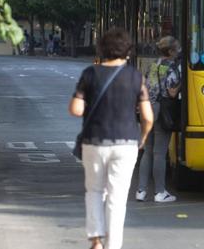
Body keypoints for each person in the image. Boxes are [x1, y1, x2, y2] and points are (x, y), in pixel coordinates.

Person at [68, 28, 153, 249]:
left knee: (95, 191)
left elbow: (76, 109)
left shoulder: (89, 74)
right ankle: (113, 246)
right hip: (126, 143)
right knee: (117, 199)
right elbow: (148, 117)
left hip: (94, 141)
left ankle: (96, 240)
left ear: (102, 49)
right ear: (127, 51)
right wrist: (142, 138)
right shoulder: (136, 77)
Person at [136, 35, 181, 203]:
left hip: (147, 109)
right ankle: (160, 192)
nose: (178, 52)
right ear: (170, 51)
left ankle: (141, 190)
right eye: (176, 49)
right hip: (162, 111)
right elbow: (172, 92)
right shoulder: (172, 68)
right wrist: (181, 83)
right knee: (160, 153)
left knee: (147, 151)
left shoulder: (152, 65)